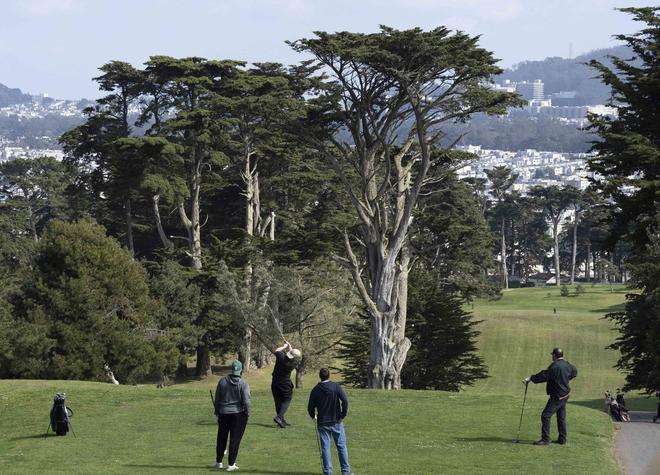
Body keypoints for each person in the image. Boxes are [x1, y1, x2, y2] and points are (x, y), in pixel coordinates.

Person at [523, 347, 578, 446]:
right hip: (565, 395)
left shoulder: (554, 366)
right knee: (561, 417)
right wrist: (565, 379)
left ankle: (545, 440)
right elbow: (574, 372)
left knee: (545, 415)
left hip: (557, 396)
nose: (552, 356)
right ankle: (562, 439)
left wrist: (531, 378)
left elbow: (544, 375)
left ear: (555, 355)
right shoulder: (568, 364)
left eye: (552, 354)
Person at [308, 368, 353, 475]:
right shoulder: (335, 386)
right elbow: (345, 401)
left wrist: (312, 415)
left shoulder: (315, 390)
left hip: (322, 422)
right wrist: (343, 415)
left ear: (320, 376)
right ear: (329, 375)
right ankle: (345, 472)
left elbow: (310, 407)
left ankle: (328, 472)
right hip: (336, 421)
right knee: (341, 447)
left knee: (325, 448)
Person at [213, 360, 251, 471]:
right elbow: (247, 401)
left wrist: (216, 412)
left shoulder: (222, 381)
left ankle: (219, 462)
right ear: (240, 370)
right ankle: (231, 464)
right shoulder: (243, 383)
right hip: (238, 415)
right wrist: (248, 413)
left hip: (223, 413)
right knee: (235, 440)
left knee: (221, 438)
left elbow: (217, 399)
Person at [271, 340, 301, 428]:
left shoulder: (281, 357)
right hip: (285, 383)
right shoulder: (294, 363)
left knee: (278, 400)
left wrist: (285, 346)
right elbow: (293, 356)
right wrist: (290, 347)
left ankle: (281, 420)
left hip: (275, 382)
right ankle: (279, 417)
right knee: (287, 399)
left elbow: (277, 350)